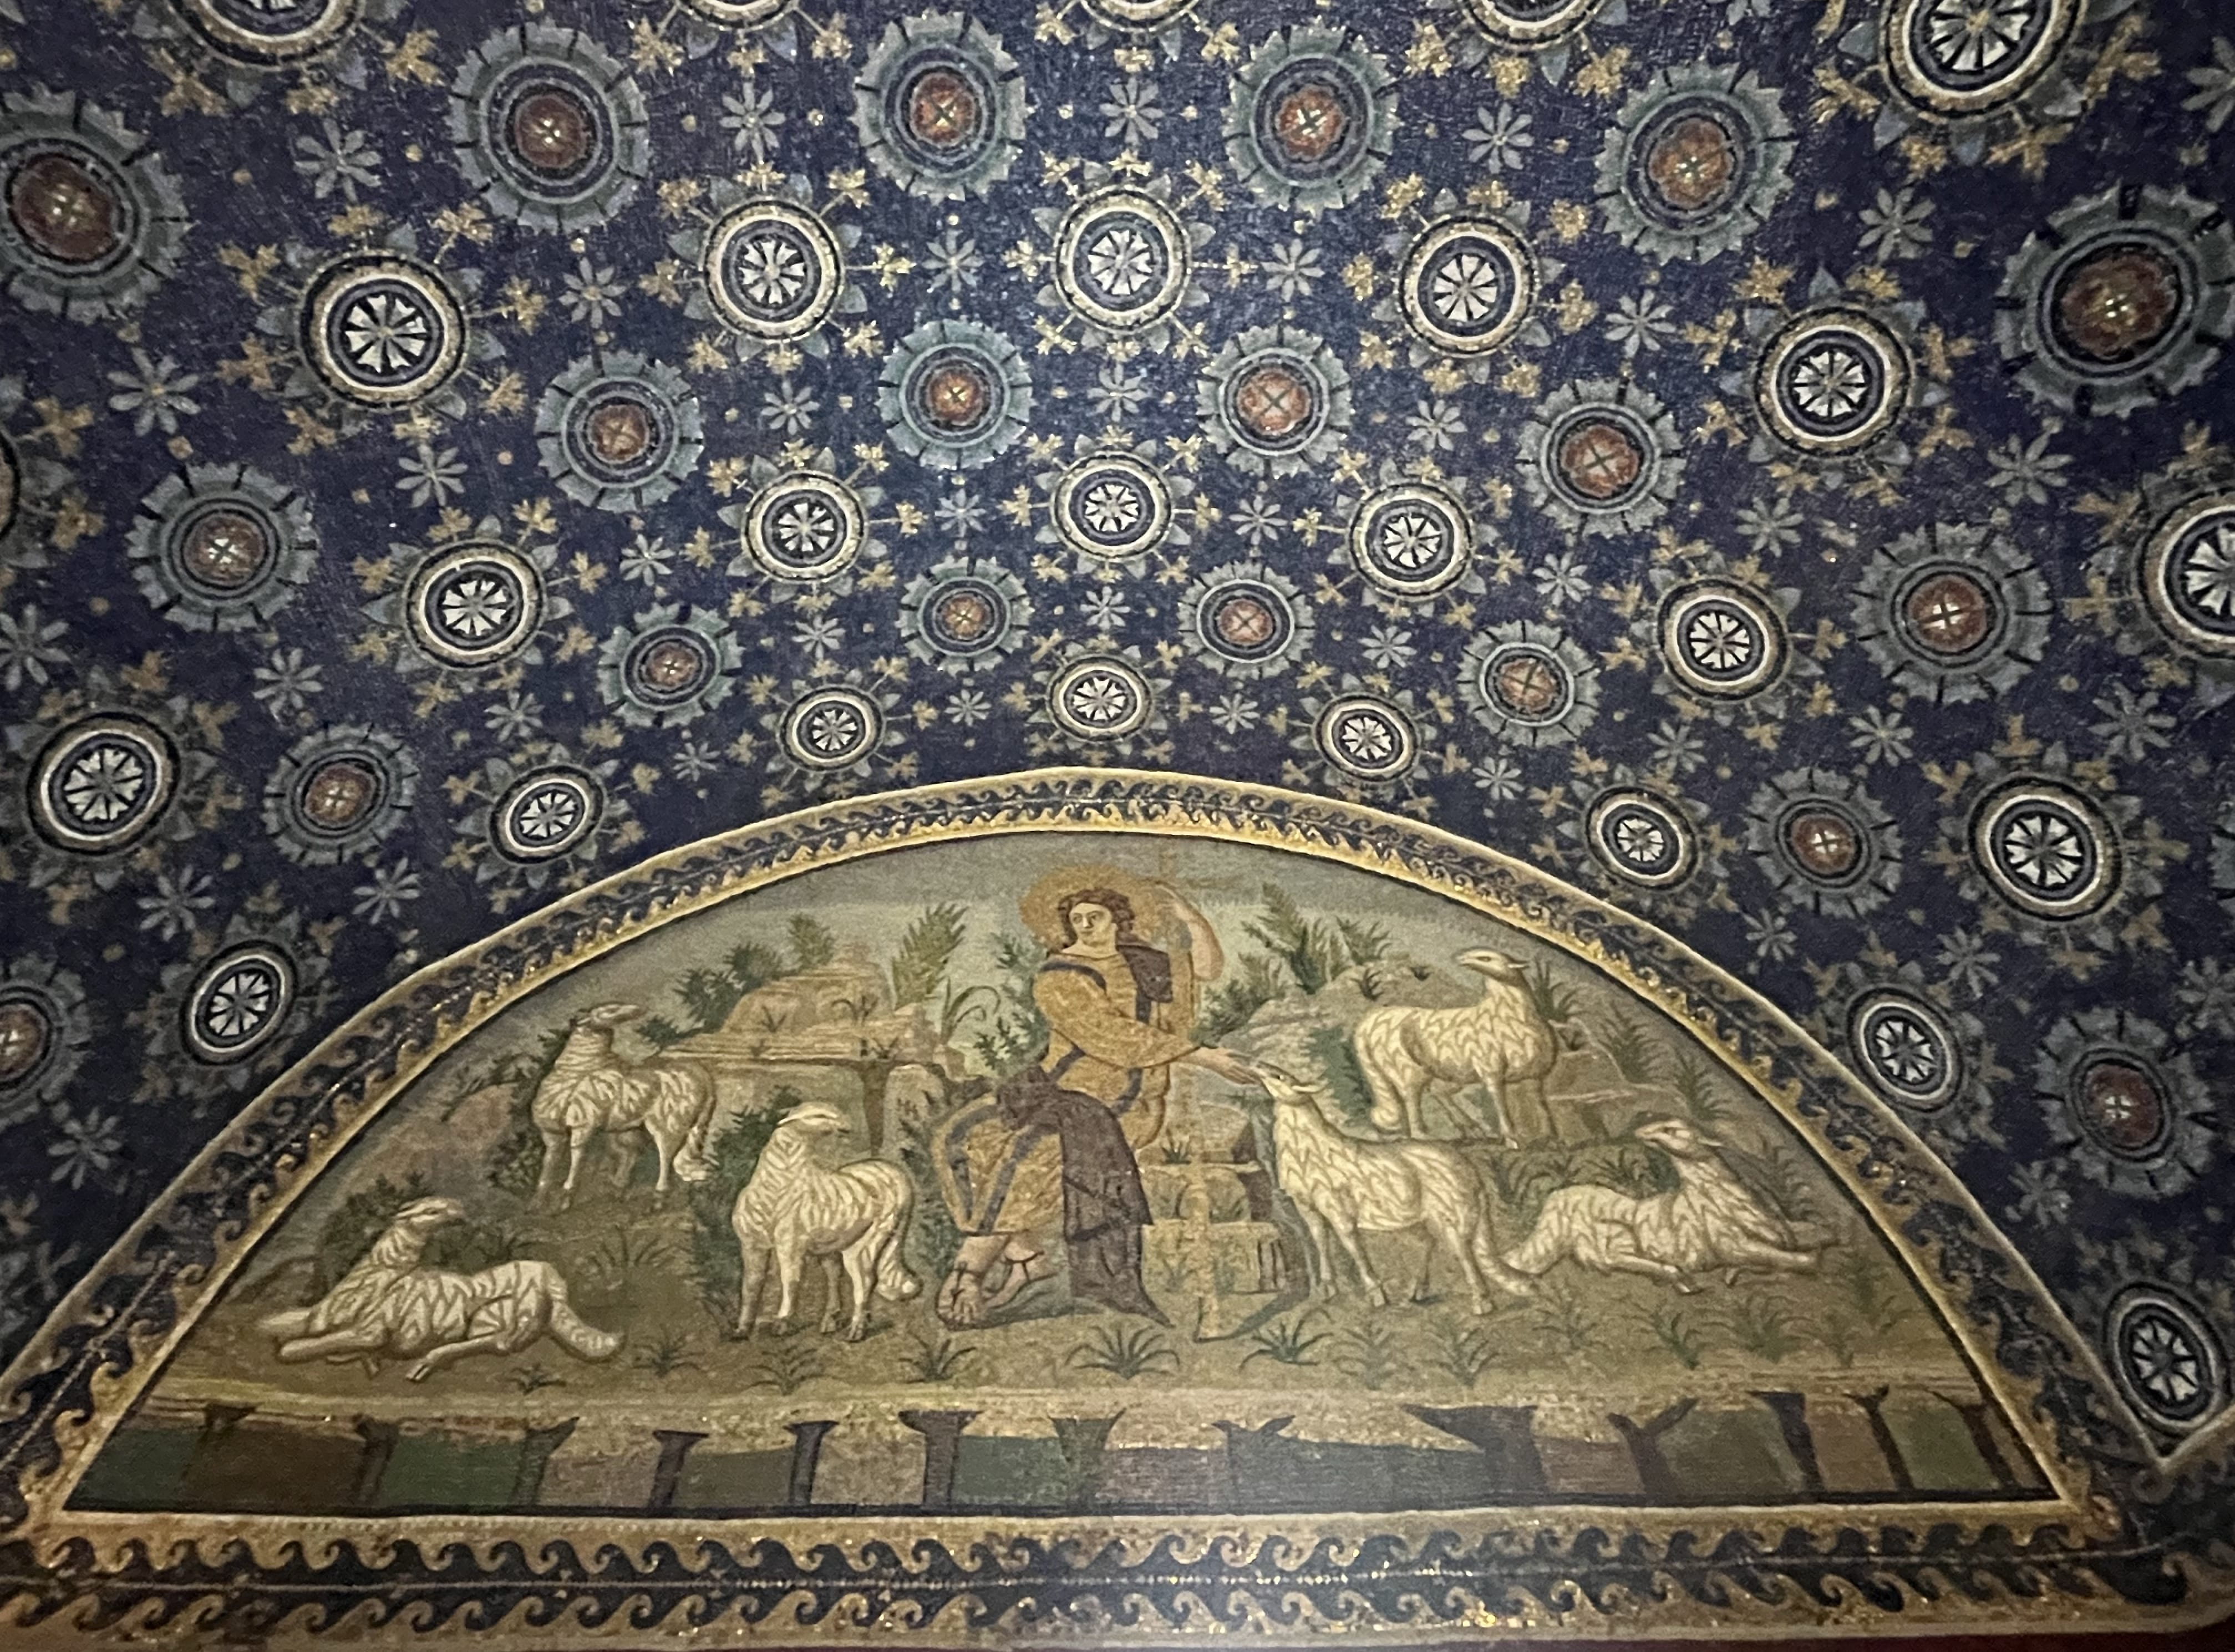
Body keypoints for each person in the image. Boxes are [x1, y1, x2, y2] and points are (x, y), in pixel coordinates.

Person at [931, 871, 1258, 1326]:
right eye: (1077, 919)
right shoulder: (1059, 974)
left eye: (1095, 916)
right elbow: (1108, 1034)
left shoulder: (1146, 965)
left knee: (1026, 1157)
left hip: (1121, 1103)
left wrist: (1191, 918)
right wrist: (1203, 1055)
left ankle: (970, 1271)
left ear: (1117, 919)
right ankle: (1025, 1255)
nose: (1085, 926)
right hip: (1054, 1088)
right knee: (959, 1137)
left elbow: (1206, 969)